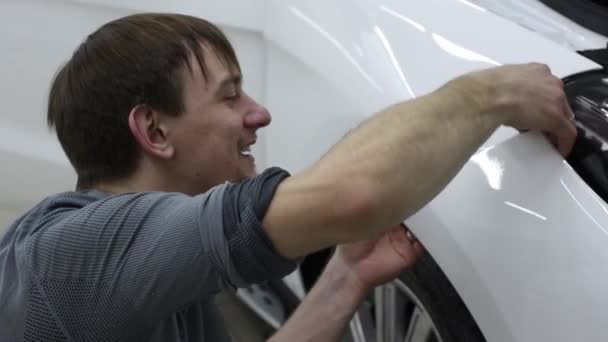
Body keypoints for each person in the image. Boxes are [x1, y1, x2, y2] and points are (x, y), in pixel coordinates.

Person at [0, 13, 575, 342]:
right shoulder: (72, 256)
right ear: (154, 130)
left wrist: (344, 278)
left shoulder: (152, 279)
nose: (259, 113)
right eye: (230, 96)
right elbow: (354, 194)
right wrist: (490, 93)